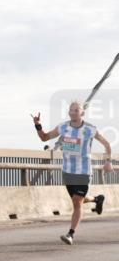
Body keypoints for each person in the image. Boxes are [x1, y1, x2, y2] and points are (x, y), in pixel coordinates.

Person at [32, 101, 114, 244]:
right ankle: (97, 199)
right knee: (78, 201)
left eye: (76, 110)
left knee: (77, 202)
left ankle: (70, 234)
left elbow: (106, 144)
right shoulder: (63, 127)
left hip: (83, 171)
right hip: (68, 171)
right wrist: (37, 125)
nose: (73, 112)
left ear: (82, 113)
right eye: (71, 110)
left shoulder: (90, 129)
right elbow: (44, 138)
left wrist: (108, 161)